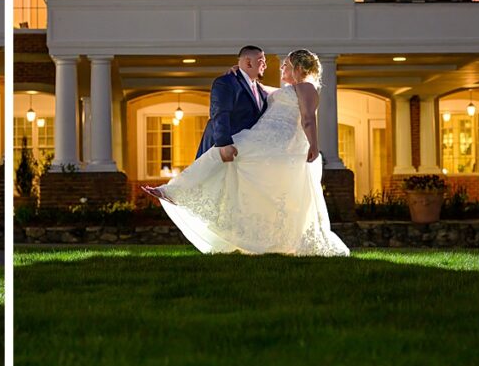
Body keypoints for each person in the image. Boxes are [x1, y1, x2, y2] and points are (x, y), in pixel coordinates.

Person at [142, 49, 349, 257]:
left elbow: (308, 119)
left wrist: (313, 145)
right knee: (226, 157)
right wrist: (239, 71)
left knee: (234, 158)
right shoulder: (285, 90)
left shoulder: (307, 88)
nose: (281, 67)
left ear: (298, 68)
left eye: (285, 65)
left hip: (280, 143)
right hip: (260, 138)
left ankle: (178, 191)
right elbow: (256, 87)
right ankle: (177, 191)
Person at [196, 45, 269, 162]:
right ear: (249, 62)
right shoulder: (226, 82)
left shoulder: (261, 91)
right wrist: (224, 144)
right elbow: (220, 113)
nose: (265, 66)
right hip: (222, 149)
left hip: (244, 153)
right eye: (261, 61)